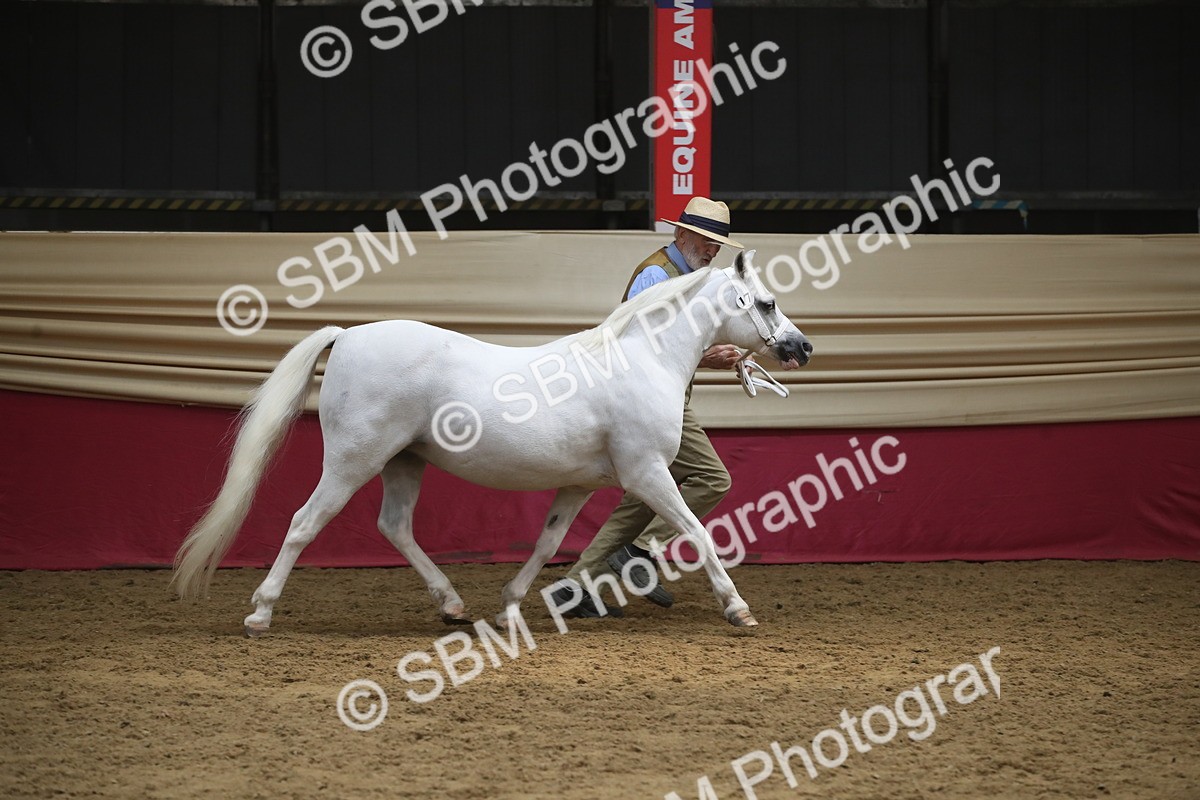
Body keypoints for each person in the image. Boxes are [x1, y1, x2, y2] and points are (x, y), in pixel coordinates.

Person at [551, 197, 746, 617]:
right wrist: (707, 358)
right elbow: (640, 343)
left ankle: (573, 586)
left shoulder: (684, 276)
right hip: (641, 403)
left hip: (657, 401)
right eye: (705, 239)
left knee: (644, 495)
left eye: (717, 244)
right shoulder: (658, 275)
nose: (712, 250)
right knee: (713, 478)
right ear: (681, 233)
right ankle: (639, 550)